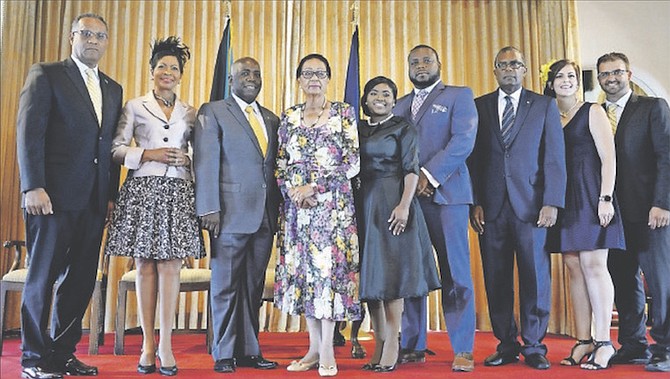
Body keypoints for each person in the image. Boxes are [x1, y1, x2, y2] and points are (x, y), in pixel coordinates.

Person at [15, 13, 122, 379]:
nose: (93, 40)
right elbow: (29, 132)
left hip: (93, 202)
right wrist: (32, 184)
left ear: (107, 43)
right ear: (72, 37)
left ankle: (62, 354)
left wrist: (110, 196)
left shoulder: (113, 88)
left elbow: (109, 146)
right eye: (86, 33)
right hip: (51, 198)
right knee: (42, 279)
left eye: (100, 36)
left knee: (80, 282)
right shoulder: (47, 74)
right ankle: (33, 358)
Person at [105, 36, 204, 376]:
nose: (167, 72)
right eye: (161, 66)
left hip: (177, 192)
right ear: (151, 72)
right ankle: (147, 344)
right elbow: (116, 148)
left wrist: (186, 158)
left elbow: (201, 155)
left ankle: (166, 344)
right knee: (145, 265)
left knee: (171, 268)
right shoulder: (134, 106)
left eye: (173, 68)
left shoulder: (190, 112)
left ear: (180, 75)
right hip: (143, 191)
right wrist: (147, 154)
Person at [469, 46, 566, 370]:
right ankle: (506, 343)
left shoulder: (543, 106)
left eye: (516, 64)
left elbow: (554, 158)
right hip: (492, 209)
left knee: (535, 278)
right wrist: (476, 203)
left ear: (524, 70)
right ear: (495, 70)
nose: (510, 69)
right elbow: (474, 161)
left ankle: (535, 346)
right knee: (496, 279)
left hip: (533, 208)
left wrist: (552, 202)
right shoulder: (479, 107)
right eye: (504, 64)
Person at [274, 53, 361, 377]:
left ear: (328, 78)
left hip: (332, 212)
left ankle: (327, 351)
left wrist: (315, 188)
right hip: (299, 214)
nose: (314, 78)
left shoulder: (343, 113)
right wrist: (293, 193)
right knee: (306, 280)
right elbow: (281, 164)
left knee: (328, 279)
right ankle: (312, 348)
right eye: (307, 73)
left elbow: (352, 162)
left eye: (320, 73)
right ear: (298, 79)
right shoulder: (290, 116)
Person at [393, 45, 478, 372]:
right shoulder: (399, 105)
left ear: (439, 64)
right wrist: (408, 187)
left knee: (456, 273)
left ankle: (463, 349)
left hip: (448, 198)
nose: (420, 65)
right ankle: (412, 344)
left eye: (426, 60)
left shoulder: (458, 96)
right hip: (409, 202)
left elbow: (463, 141)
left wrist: (428, 175)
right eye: (414, 62)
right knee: (412, 273)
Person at [194, 57, 280, 374]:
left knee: (252, 288)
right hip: (227, 215)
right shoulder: (214, 111)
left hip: (264, 217)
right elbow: (204, 161)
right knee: (226, 285)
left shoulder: (271, 118)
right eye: (245, 73)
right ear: (231, 79)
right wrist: (208, 208)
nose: (252, 78)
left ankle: (248, 351)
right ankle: (224, 353)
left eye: (257, 73)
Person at [543, 59, 625, 370]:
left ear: (579, 81)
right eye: (560, 76)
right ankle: (583, 339)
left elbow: (609, 158)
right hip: (564, 200)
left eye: (571, 76)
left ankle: (604, 341)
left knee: (594, 264)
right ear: (550, 83)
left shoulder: (593, 111)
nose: (566, 80)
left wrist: (605, 198)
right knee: (573, 266)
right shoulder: (549, 115)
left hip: (592, 195)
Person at [357, 76, 441, 372]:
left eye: (387, 94)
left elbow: (411, 169)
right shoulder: (357, 128)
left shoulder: (404, 128)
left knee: (392, 277)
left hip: (393, 202)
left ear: (394, 101)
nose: (380, 97)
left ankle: (393, 342)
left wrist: (404, 205)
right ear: (365, 98)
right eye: (374, 93)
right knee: (371, 278)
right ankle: (378, 341)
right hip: (363, 206)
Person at [597, 52, 670, 372]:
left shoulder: (652, 107)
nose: (610, 78)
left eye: (616, 72)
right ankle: (633, 344)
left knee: (661, 281)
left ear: (629, 74)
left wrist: (663, 202)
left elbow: (666, 157)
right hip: (613, 216)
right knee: (623, 280)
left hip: (651, 212)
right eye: (604, 74)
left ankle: (666, 348)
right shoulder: (596, 113)